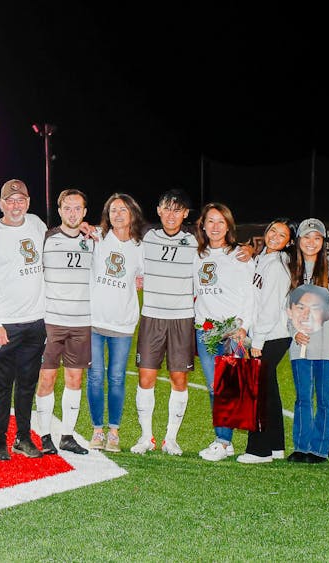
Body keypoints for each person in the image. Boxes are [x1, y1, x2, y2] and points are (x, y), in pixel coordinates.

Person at [0, 179, 47, 461]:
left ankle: (23, 438)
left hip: (36, 321)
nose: (16, 205)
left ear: (28, 202)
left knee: (28, 384)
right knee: (2, 387)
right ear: (1, 204)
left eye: (21, 200)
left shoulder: (37, 225)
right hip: (5, 325)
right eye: (10, 200)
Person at [131, 189, 199, 456]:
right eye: (166, 208)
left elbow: (224, 244)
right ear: (158, 210)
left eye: (177, 209)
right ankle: (146, 436)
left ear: (185, 214)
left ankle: (171, 438)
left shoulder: (196, 239)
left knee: (178, 378)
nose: (171, 214)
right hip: (152, 316)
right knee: (146, 377)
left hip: (182, 318)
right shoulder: (146, 236)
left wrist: (249, 248)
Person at [192, 203, 255, 462]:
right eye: (211, 221)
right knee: (213, 386)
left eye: (220, 221)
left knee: (227, 386)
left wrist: (243, 326)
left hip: (232, 330)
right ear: (203, 225)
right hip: (205, 329)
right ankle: (224, 440)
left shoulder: (240, 255)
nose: (215, 226)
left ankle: (222, 440)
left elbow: (251, 294)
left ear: (228, 225)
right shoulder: (197, 255)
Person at [35, 189, 92, 456]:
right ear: (59, 211)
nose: (72, 213)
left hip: (82, 322)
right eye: (67, 208)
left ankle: (67, 435)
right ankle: (45, 436)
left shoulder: (93, 240)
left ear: (84, 212)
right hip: (51, 321)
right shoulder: (45, 238)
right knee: (46, 378)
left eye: (77, 208)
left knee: (74, 378)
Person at [87, 193, 144, 453]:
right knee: (96, 377)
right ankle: (97, 431)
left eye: (123, 210)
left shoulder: (140, 246)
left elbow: (143, 278)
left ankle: (114, 432)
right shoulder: (97, 238)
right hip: (94, 321)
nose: (117, 214)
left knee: (117, 377)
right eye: (112, 210)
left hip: (122, 324)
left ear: (132, 213)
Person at [238, 219, 295, 463]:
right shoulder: (264, 259)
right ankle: (275, 446)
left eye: (282, 235)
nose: (274, 236)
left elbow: (271, 309)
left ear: (289, 242)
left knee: (258, 392)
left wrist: (257, 342)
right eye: (273, 230)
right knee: (269, 391)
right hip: (267, 335)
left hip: (272, 336)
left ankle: (258, 450)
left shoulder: (278, 266)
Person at [285, 223, 329, 463]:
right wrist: (294, 331)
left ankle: (319, 448)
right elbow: (285, 307)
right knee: (303, 397)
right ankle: (301, 446)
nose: (311, 242)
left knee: (325, 399)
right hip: (302, 343)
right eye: (306, 237)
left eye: (317, 237)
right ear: (298, 240)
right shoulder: (289, 268)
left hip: (328, 343)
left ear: (323, 241)